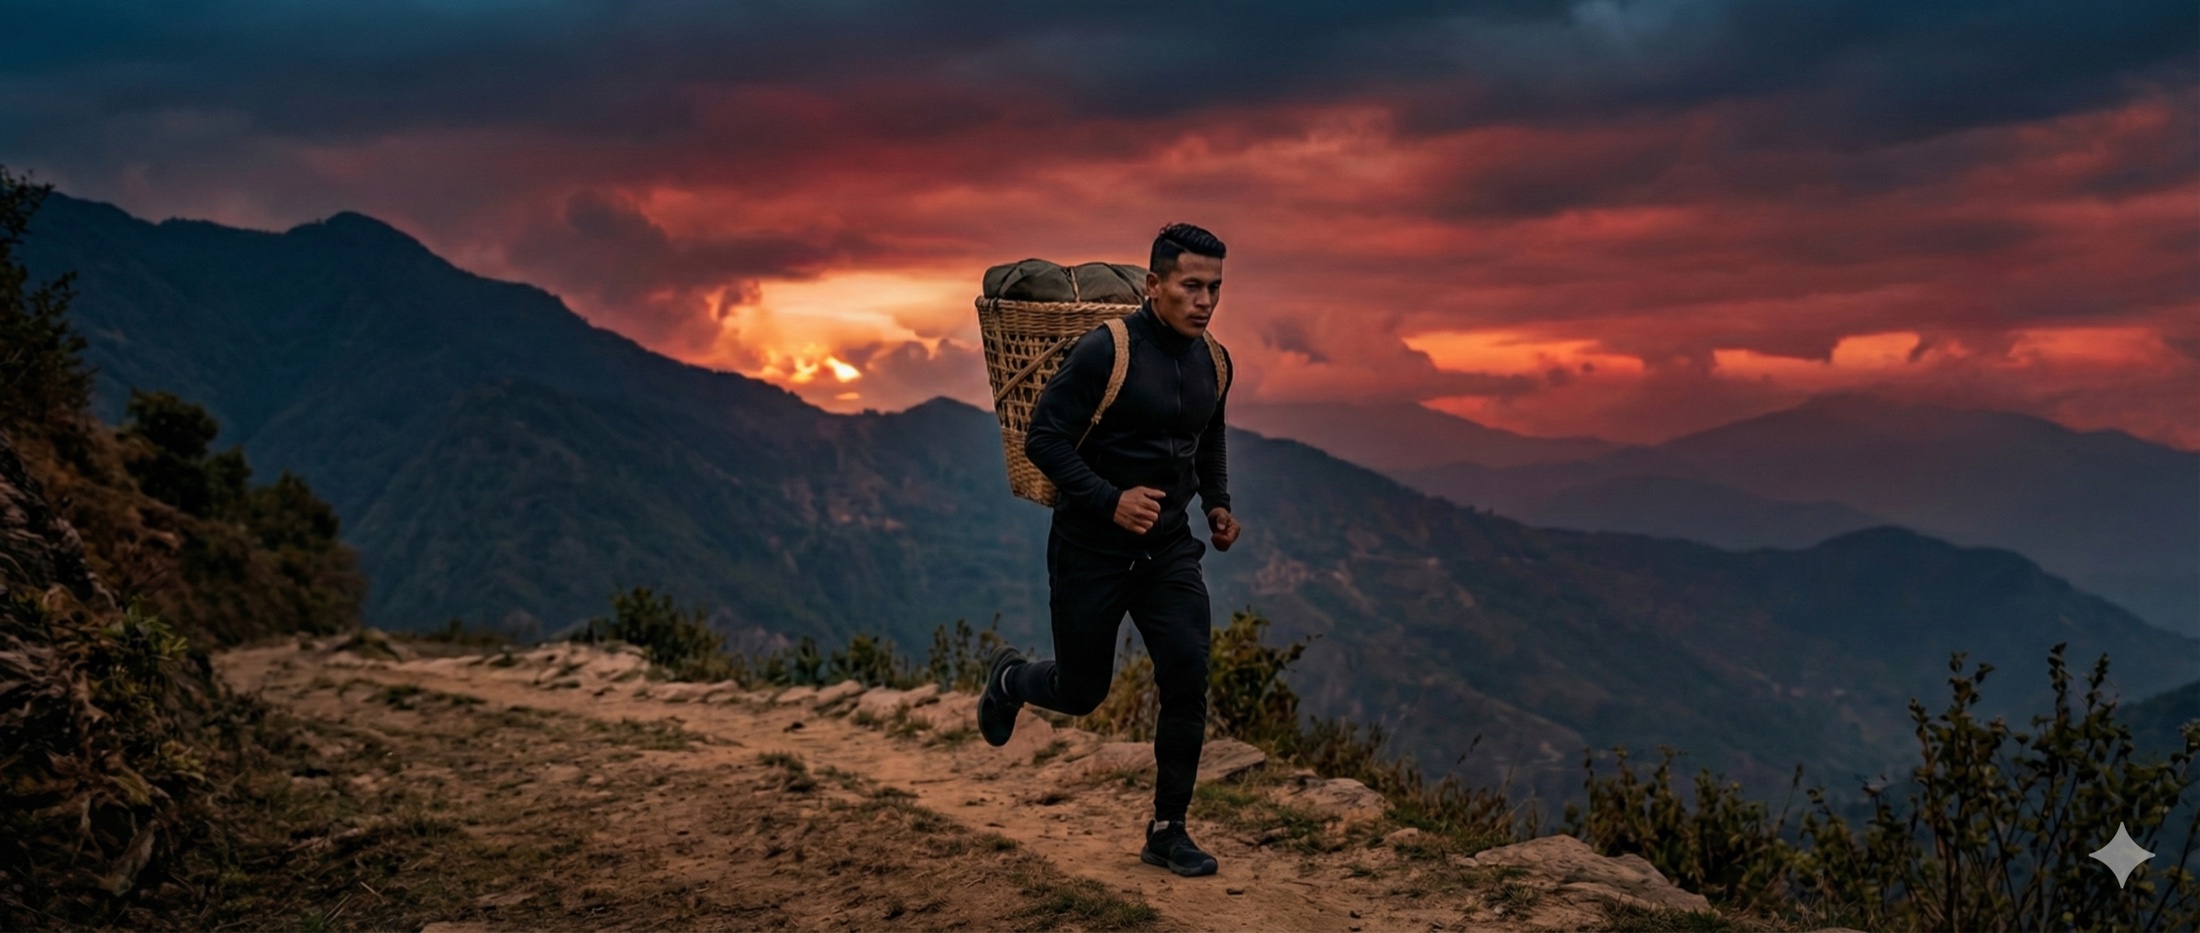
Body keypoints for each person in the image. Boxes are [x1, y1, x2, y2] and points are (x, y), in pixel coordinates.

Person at [978, 222, 1241, 878]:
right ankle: (1010, 679)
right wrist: (1110, 499)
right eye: (1190, 286)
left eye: (1214, 288)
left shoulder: (1214, 361)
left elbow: (1208, 434)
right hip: (1089, 549)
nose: (1204, 301)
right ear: (1154, 285)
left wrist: (1217, 502)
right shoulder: (1106, 351)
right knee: (1081, 690)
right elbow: (1043, 439)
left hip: (1168, 552)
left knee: (1187, 671)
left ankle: (1168, 828)